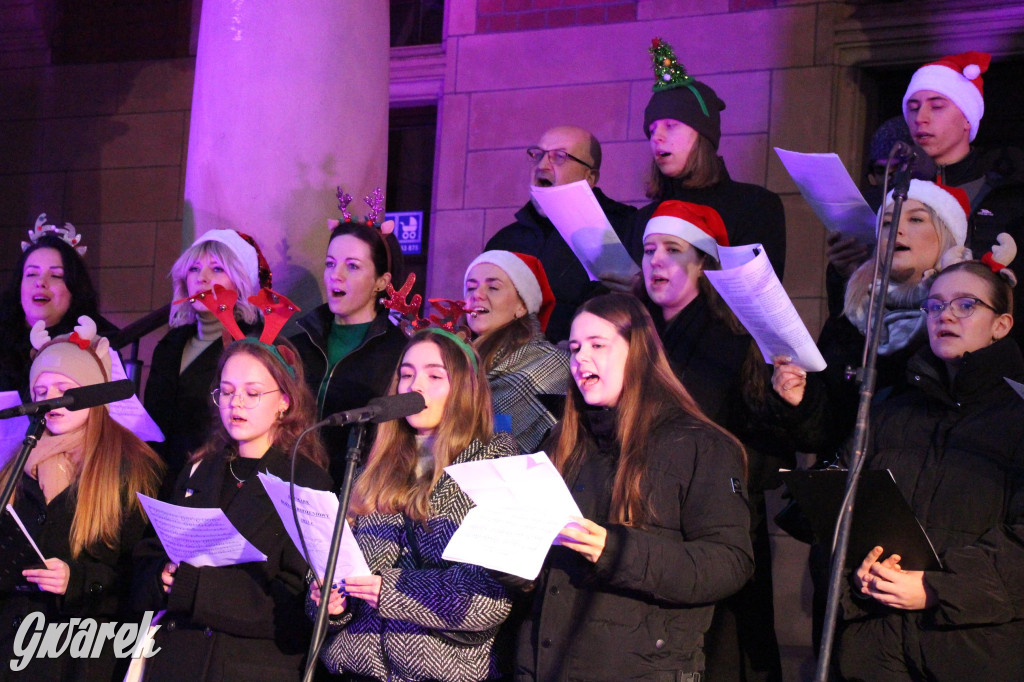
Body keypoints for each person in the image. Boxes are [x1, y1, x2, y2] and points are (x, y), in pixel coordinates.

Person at [515, 293, 753, 681]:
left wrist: (615, 549)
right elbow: (537, 577)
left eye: (598, 345)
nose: (580, 358)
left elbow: (729, 563)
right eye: (574, 348)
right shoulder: (560, 444)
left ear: (638, 353)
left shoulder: (700, 445)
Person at [834, 260, 1024, 681]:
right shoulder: (887, 411)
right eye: (935, 306)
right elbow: (836, 501)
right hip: (876, 647)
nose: (946, 315)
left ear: (1002, 324)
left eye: (966, 304)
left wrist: (938, 588)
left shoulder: (1017, 417)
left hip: (977, 650)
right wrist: (857, 567)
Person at [133, 306, 333, 681]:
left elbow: (294, 606)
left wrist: (194, 587)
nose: (235, 402)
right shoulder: (200, 468)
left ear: (284, 402)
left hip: (246, 667)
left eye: (252, 392)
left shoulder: (305, 482)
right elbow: (147, 553)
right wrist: (161, 575)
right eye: (226, 391)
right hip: (177, 662)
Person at [638, 201, 791, 681]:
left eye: (672, 249)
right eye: (648, 250)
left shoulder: (734, 342)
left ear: (704, 264)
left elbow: (765, 445)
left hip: (712, 533)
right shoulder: (632, 335)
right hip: (645, 522)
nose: (655, 261)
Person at [312, 328, 516, 681]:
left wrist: (392, 591)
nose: (414, 386)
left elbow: (486, 600)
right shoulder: (372, 468)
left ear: (465, 389)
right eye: (406, 374)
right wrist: (330, 603)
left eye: (435, 375)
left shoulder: (493, 465)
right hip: (355, 672)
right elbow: (333, 569)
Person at [0, 317, 164, 681]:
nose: (51, 400)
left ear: (92, 393)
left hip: (81, 652)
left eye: (64, 388)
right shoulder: (18, 457)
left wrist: (76, 579)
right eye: (41, 392)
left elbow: (140, 572)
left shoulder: (130, 465)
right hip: (14, 648)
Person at [771, 180, 972, 457]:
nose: (898, 230)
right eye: (887, 224)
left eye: (916, 219)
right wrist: (799, 400)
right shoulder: (854, 311)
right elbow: (821, 435)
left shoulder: (962, 317)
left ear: (947, 236)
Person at [627, 38, 786, 281]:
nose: (656, 137)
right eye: (652, 129)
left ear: (703, 136)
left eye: (671, 125)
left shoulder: (754, 207)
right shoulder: (645, 218)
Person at [485, 125, 638, 343]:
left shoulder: (624, 229)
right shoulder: (505, 241)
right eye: (538, 155)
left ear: (590, 177)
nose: (542, 165)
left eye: (560, 157)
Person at [145, 229, 269, 493]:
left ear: (240, 281)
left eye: (216, 269)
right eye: (193, 269)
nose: (202, 279)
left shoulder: (252, 348)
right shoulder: (169, 346)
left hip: (214, 485)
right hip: (158, 481)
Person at [291, 208, 407, 483]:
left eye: (352, 266)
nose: (336, 275)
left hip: (355, 499)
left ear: (382, 281)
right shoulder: (297, 345)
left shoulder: (400, 353)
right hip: (291, 492)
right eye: (330, 263)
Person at [463, 250, 570, 452]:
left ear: (522, 305)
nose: (477, 295)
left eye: (493, 287)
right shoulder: (454, 359)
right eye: (470, 287)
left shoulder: (550, 364)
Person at [0, 215, 116, 397]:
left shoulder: (96, 341)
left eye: (55, 276)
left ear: (74, 288)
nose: (40, 282)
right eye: (31, 274)